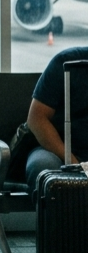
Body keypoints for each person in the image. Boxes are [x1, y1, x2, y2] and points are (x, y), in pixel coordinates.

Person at [25, 46, 88, 189]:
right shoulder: (66, 62)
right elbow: (36, 118)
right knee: (43, 167)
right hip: (58, 150)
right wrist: (74, 164)